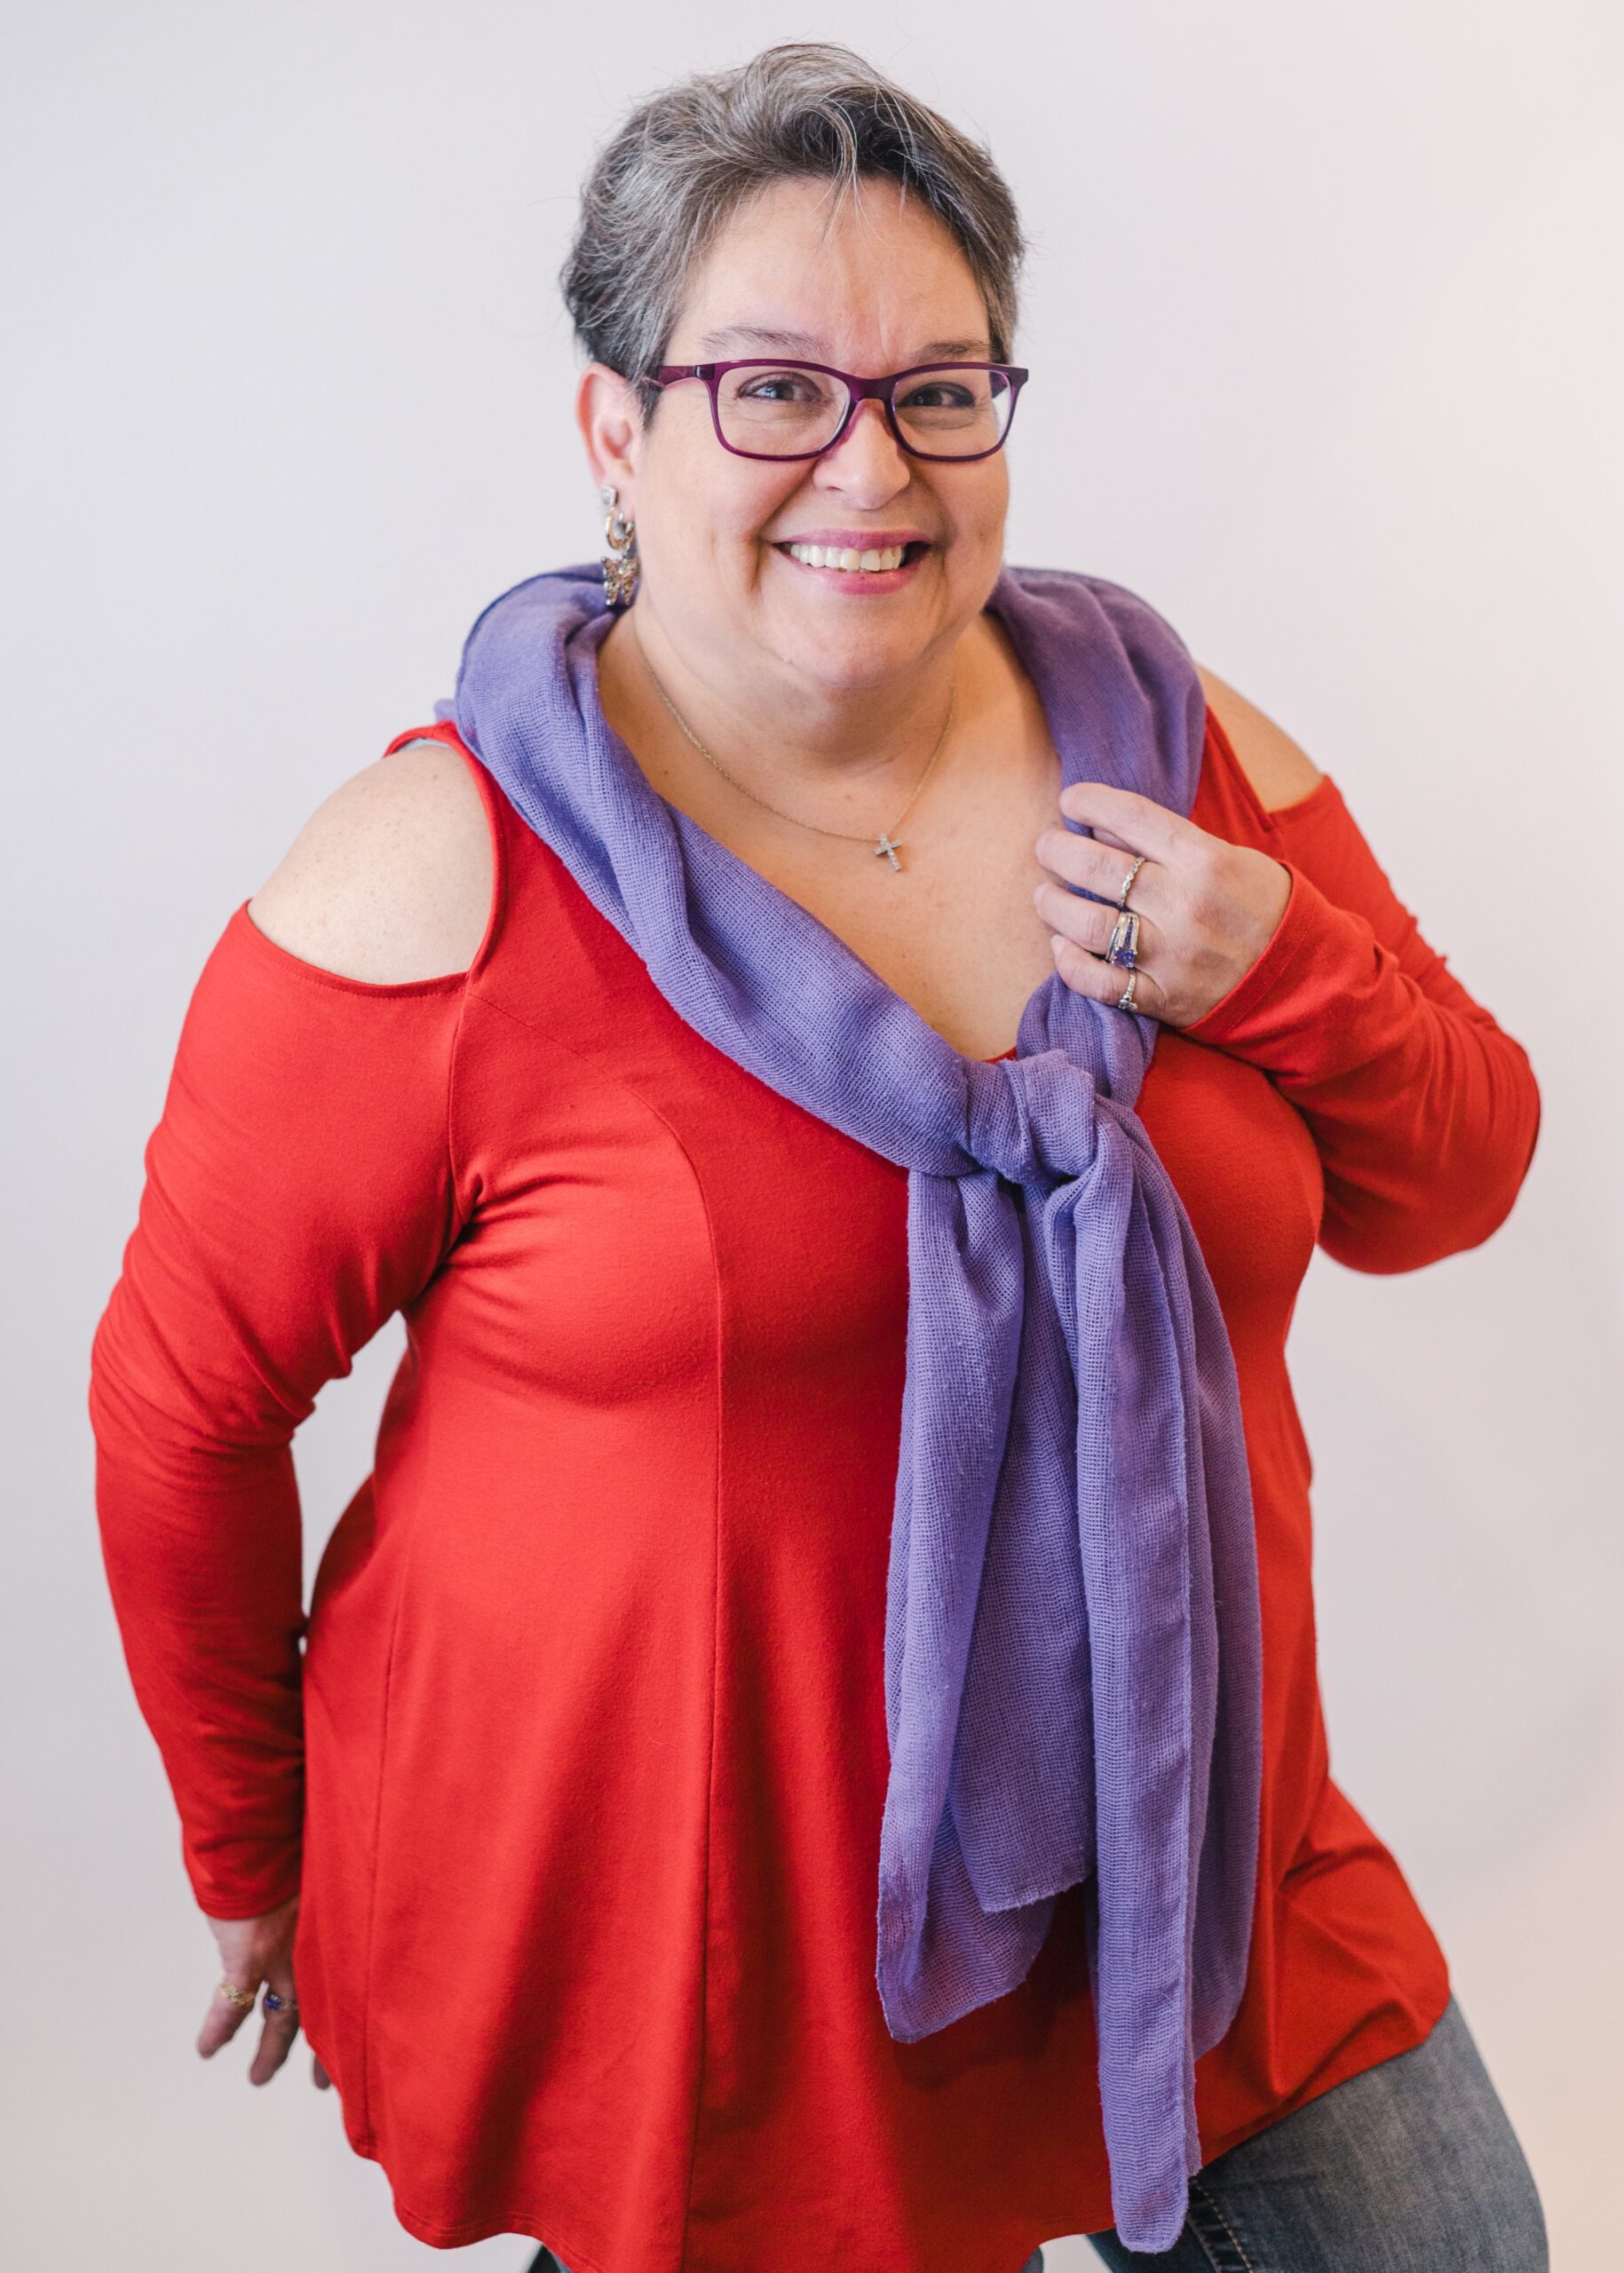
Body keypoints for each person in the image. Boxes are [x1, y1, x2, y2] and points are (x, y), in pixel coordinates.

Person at [89, 40, 1549, 2273]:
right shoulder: (435, 875)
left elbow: (1456, 1178)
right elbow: (182, 1405)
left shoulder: (1178, 754)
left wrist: (1278, 961)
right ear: (617, 428)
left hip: (1189, 1829)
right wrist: (246, 1842)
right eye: (774, 388)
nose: (871, 466)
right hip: (726, 1936)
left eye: (939, 390)